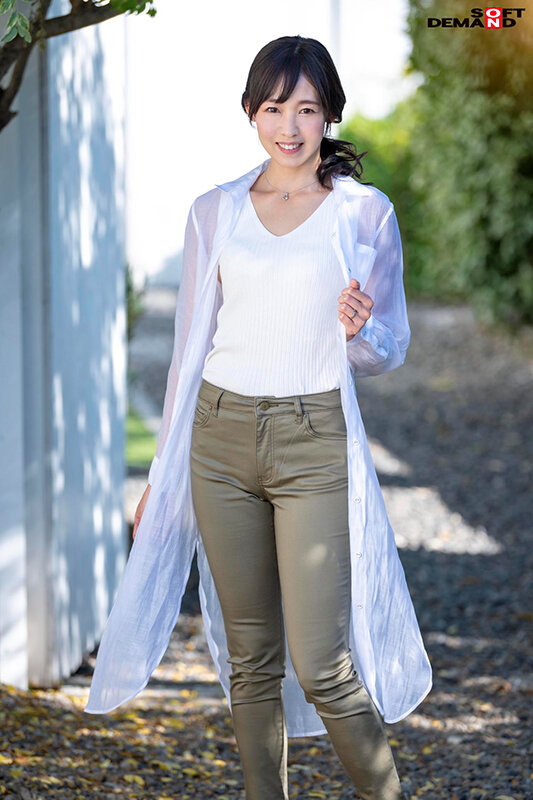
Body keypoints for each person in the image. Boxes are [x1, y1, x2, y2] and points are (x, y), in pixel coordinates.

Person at [84, 34, 432, 800]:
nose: (289, 126)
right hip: (218, 437)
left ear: (328, 114)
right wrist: (162, 478)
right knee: (249, 661)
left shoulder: (362, 214)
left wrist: (358, 332)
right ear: (250, 111)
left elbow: (385, 348)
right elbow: (188, 351)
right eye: (273, 108)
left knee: (323, 663)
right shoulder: (214, 210)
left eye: (305, 109)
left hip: (314, 441)